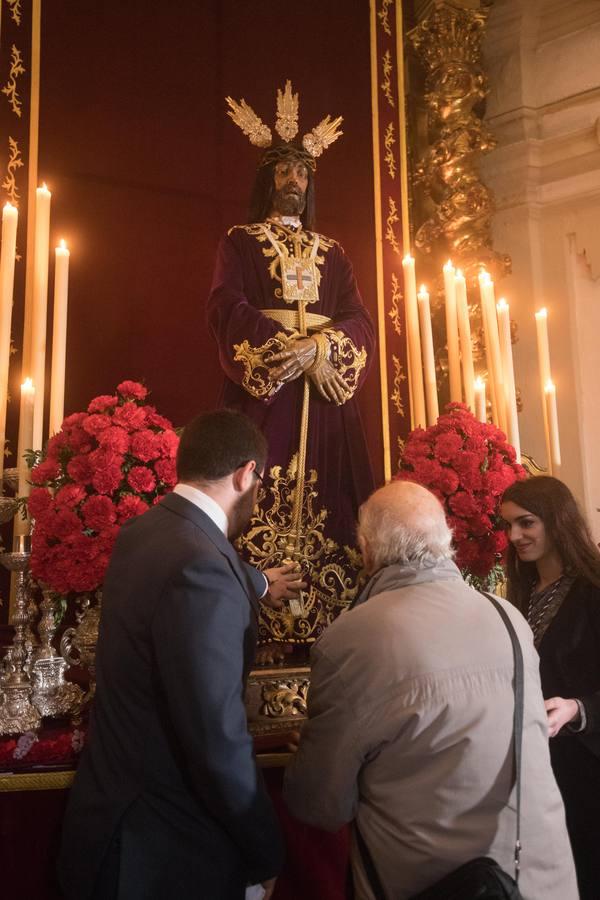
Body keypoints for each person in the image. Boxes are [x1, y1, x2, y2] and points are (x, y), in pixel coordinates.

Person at [283, 480, 578, 900]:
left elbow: (320, 806)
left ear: (367, 548)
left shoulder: (350, 639)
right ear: (447, 542)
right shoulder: (506, 615)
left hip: (431, 883)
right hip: (537, 878)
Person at [58, 409, 299, 900]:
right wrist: (264, 849)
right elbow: (215, 736)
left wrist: (254, 581)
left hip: (115, 822)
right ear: (246, 473)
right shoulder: (202, 567)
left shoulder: (144, 532)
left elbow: (191, 581)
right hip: (167, 848)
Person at [207, 82, 375, 649]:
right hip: (268, 396)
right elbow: (226, 306)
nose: (294, 182)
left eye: (302, 173)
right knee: (255, 483)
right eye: (283, 171)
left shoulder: (335, 253)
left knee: (334, 503)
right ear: (266, 179)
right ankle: (253, 607)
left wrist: (323, 350)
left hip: (325, 398)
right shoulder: (241, 241)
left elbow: (357, 319)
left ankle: (333, 628)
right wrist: (289, 348)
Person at [501, 474, 600, 900]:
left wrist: (578, 708)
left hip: (587, 767)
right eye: (508, 526)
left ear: (556, 521)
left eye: (526, 523)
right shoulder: (519, 593)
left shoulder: (593, 590)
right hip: (538, 765)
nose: (514, 536)